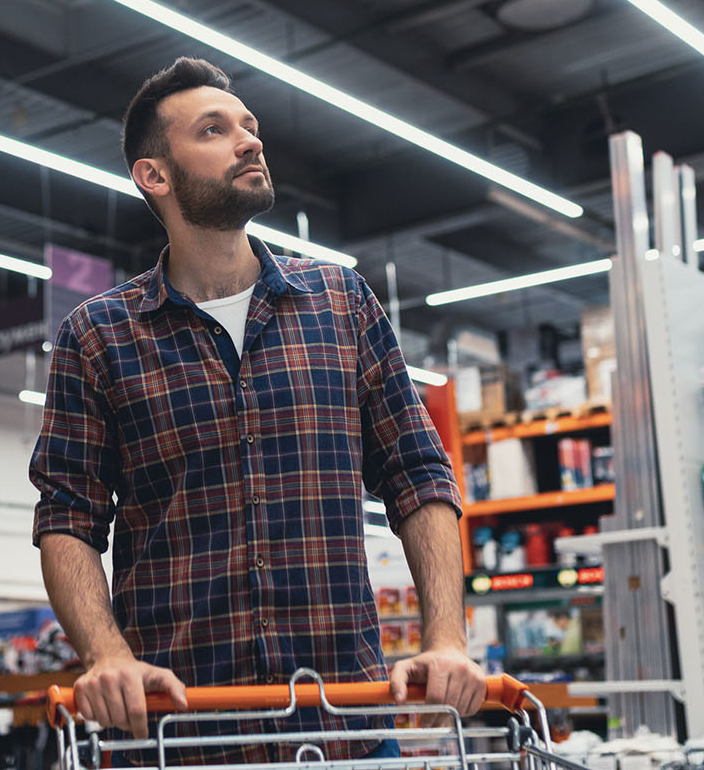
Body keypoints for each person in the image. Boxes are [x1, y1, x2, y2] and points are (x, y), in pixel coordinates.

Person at [29, 57, 486, 765]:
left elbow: (420, 476)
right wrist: (106, 654)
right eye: (214, 130)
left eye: (250, 127)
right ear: (155, 175)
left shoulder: (341, 302)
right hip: (178, 736)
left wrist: (448, 638)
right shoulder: (99, 335)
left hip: (344, 728)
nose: (249, 141)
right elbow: (67, 515)